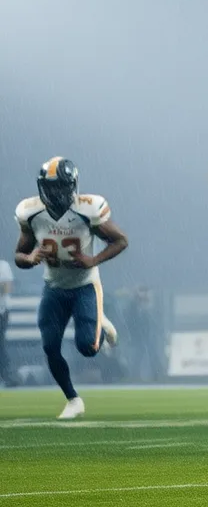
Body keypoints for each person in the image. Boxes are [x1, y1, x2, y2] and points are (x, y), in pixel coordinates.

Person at [14, 158, 126, 418]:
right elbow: (19, 254)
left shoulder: (88, 209)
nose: (54, 192)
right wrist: (30, 259)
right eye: (49, 187)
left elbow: (120, 240)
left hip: (85, 285)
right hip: (53, 287)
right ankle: (73, 399)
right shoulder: (30, 213)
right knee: (50, 346)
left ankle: (101, 322)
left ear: (72, 186)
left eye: (59, 186)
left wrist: (93, 260)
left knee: (88, 348)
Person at [0, 257, 16, 386]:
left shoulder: (3, 266)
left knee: (0, 344)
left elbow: (7, 288)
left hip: (1, 311)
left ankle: (8, 376)